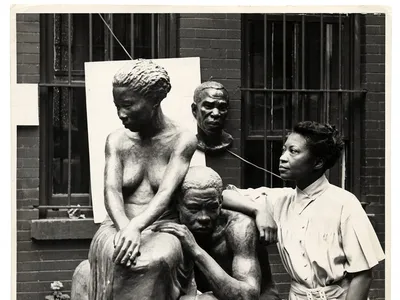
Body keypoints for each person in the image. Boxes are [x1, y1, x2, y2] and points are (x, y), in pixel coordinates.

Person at [222, 121, 385, 300]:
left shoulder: (345, 203)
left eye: (293, 151)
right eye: (284, 149)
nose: (282, 157)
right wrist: (258, 210)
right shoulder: (278, 200)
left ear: (318, 162)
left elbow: (363, 275)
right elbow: (222, 195)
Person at [87, 59, 198, 300]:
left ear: (154, 101)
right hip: (117, 224)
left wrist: (139, 226)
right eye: (117, 105)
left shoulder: (182, 140)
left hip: (161, 226)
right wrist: (126, 227)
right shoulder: (116, 140)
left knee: (153, 261)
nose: (120, 114)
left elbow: (166, 192)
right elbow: (111, 190)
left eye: (128, 105)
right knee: (119, 257)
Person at [154, 166, 281, 300]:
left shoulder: (239, 228)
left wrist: (195, 250)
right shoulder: (169, 223)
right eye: (193, 208)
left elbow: (247, 296)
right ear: (177, 204)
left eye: (212, 207)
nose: (204, 217)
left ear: (221, 202)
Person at [191, 81, 233, 154]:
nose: (216, 113)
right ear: (195, 109)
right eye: (208, 106)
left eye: (222, 107)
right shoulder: (188, 142)